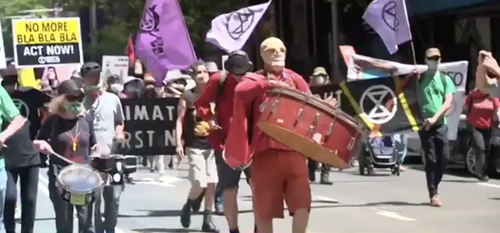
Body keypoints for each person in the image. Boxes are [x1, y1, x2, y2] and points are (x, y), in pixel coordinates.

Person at [225, 37, 338, 233]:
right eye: (271, 50)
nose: (277, 53)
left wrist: (324, 107)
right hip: (264, 155)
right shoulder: (256, 79)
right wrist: (270, 85)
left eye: (281, 50)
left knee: (302, 205)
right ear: (262, 55)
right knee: (264, 213)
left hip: (294, 154)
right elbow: (240, 89)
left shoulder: (295, 78)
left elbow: (310, 104)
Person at [194, 50, 254, 231]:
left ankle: (260, 228)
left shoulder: (255, 82)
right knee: (230, 189)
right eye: (235, 74)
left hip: (252, 144)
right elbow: (201, 103)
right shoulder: (217, 81)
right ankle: (233, 229)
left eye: (242, 73)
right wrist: (210, 118)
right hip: (225, 143)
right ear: (228, 71)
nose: (239, 77)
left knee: (259, 189)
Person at [33, 79, 95, 233]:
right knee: (64, 221)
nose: (76, 102)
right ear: (61, 100)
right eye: (71, 98)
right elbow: (37, 141)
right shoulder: (52, 121)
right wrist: (40, 145)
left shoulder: (86, 120)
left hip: (84, 177)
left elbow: (95, 144)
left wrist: (100, 150)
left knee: (86, 221)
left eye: (79, 98)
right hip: (59, 176)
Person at [81, 62, 125, 233]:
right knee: (95, 198)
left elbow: (120, 122)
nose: (95, 80)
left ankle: (110, 226)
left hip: (111, 157)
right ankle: (97, 229)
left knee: (114, 196)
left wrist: (119, 133)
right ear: (84, 80)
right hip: (91, 159)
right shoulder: (80, 102)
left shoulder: (113, 99)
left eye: (97, 77)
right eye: (90, 78)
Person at [1, 76, 49, 233]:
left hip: (30, 153)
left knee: (29, 200)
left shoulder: (31, 93)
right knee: (9, 198)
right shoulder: (2, 94)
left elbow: (55, 103)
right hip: (7, 155)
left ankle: (27, 231)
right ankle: (10, 230)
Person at [176, 62, 218, 232]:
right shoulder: (187, 96)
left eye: (204, 71)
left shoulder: (215, 96)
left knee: (212, 182)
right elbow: (179, 120)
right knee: (200, 182)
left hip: (213, 144)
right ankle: (188, 205)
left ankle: (207, 220)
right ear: (193, 76)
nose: (201, 74)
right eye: (198, 72)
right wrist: (178, 142)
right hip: (195, 145)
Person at [419, 48, 455, 207]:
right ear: (426, 60)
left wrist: (434, 119)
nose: (435, 61)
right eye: (431, 58)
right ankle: (433, 193)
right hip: (425, 126)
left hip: (440, 125)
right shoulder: (419, 79)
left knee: (444, 158)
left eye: (437, 58)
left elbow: (448, 102)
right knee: (431, 159)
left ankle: (436, 185)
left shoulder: (445, 79)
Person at [464, 86, 500, 181]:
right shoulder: (473, 95)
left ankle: (484, 169)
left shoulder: (493, 97)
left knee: (487, 150)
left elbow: (497, 111)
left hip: (487, 127)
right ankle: (481, 173)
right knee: (481, 147)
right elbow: (466, 107)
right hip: (474, 125)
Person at [307, 67, 332, 185]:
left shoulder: (333, 90)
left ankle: (325, 174)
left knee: (329, 149)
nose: (320, 78)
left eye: (322, 76)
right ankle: (311, 171)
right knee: (312, 149)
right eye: (318, 76)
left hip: (329, 122)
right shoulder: (308, 89)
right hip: (313, 122)